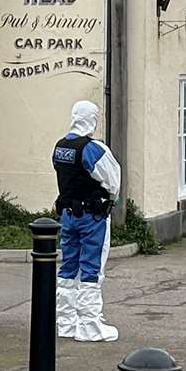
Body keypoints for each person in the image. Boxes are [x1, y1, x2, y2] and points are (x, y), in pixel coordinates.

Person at [52, 100, 121, 342]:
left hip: (67, 216)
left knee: (68, 267)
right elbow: (112, 181)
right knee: (92, 268)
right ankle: (90, 325)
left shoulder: (60, 146)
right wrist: (111, 199)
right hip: (92, 217)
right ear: (92, 119)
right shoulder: (92, 148)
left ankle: (65, 322)